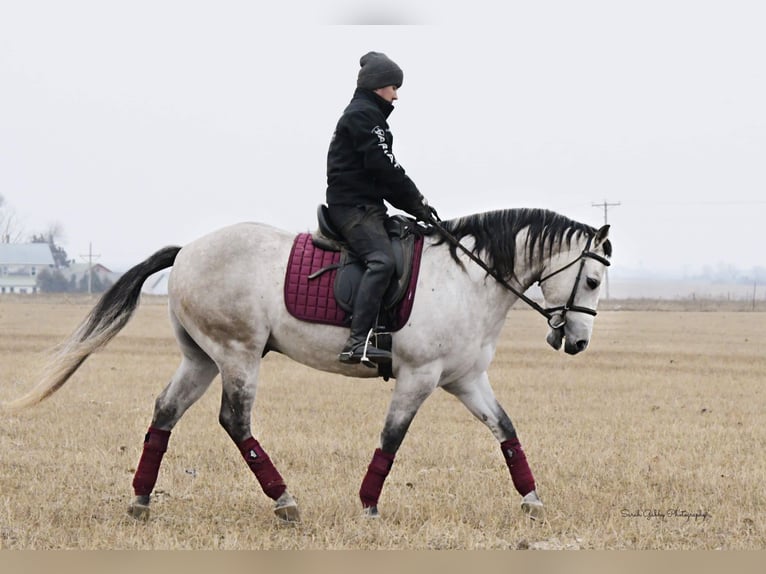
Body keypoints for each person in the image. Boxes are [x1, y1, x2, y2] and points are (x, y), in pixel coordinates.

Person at [326, 51, 436, 365]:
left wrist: (419, 208)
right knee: (382, 261)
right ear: (377, 87)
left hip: (367, 206)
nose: (396, 96)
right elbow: (385, 169)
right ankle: (357, 342)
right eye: (393, 87)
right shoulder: (362, 117)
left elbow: (386, 174)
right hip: (352, 208)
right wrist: (417, 202)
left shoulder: (369, 116)